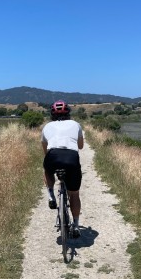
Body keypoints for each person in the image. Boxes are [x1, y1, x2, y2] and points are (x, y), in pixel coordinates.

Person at [41, 100, 84, 238]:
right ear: (68, 113)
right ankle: (76, 226)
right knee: (74, 194)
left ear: (52, 115)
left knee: (47, 170)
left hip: (52, 155)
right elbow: (81, 146)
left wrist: (51, 161)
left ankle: (51, 195)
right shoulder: (75, 124)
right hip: (71, 157)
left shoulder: (47, 126)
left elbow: (45, 149)